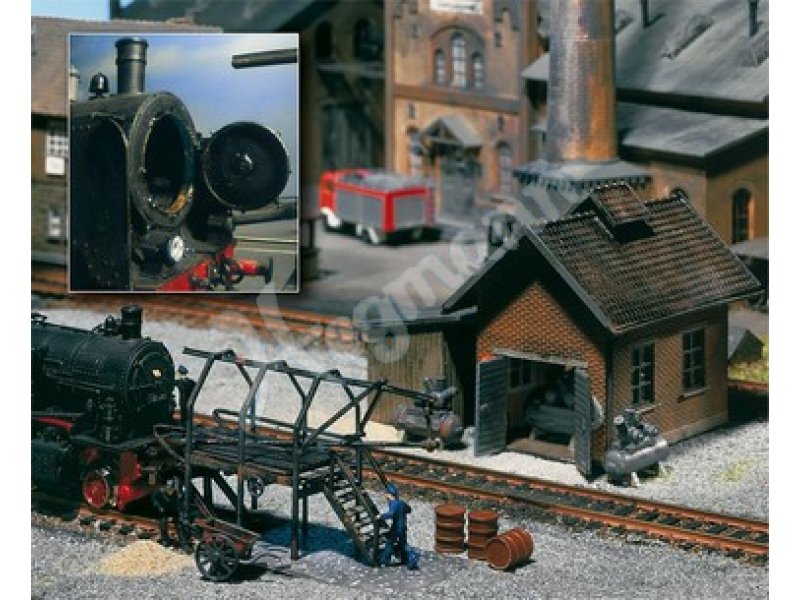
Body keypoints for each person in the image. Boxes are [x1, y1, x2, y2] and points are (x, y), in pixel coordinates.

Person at [378, 483, 419, 570]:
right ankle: (411, 559)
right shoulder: (401, 503)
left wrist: (381, 516)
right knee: (403, 543)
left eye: (386, 493)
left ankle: (384, 560)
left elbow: (391, 514)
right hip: (403, 526)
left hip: (396, 527)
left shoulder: (393, 504)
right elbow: (409, 509)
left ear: (389, 494)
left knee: (389, 542)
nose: (385, 495)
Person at [152, 476, 190, 550]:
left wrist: (180, 510)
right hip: (164, 509)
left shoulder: (176, 491)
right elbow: (154, 500)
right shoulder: (160, 491)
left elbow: (180, 500)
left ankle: (183, 543)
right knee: (163, 524)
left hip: (174, 509)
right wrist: (160, 507)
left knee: (179, 526)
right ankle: (165, 540)